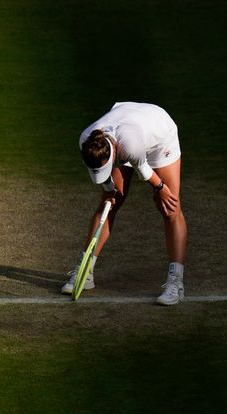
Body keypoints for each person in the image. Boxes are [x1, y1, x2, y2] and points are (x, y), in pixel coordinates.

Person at [61, 102, 187, 305]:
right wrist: (111, 191)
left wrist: (161, 189)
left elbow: (146, 173)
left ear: (112, 155)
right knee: (108, 204)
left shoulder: (130, 147)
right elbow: (103, 179)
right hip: (129, 123)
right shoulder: (88, 141)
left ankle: (176, 282)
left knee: (169, 207)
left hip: (159, 132)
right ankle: (86, 272)